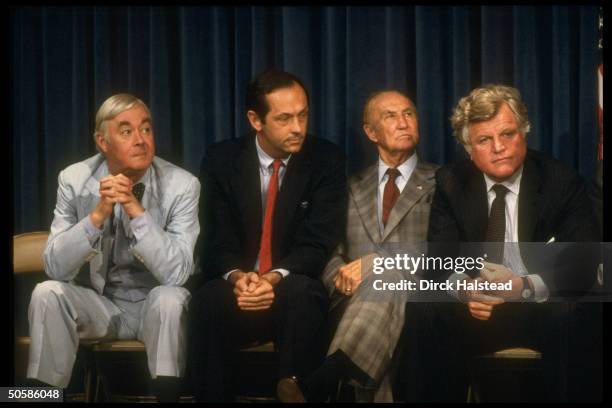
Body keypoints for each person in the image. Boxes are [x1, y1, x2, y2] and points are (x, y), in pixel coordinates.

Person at [424, 84, 600, 401]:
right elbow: (438, 264)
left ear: (524, 132)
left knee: (577, 310)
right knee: (426, 309)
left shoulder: (560, 181)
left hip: (538, 310)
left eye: (507, 134)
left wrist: (523, 286)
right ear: (468, 148)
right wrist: (465, 289)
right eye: (484, 140)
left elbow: (584, 265)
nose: (498, 147)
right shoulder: (451, 182)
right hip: (476, 311)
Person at [26, 93, 200, 402]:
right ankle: (41, 398)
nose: (140, 140)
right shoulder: (74, 179)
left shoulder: (183, 185)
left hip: (154, 306)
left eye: (146, 129)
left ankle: (168, 397)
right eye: (126, 131)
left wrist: (136, 211)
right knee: (46, 292)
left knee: (171, 298)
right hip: (101, 305)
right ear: (102, 142)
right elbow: (56, 267)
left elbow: (178, 272)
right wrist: (96, 217)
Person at [188, 68, 347, 402]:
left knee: (305, 293)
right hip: (238, 285)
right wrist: (238, 277)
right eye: (285, 118)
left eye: (303, 116)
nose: (298, 128)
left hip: (290, 285)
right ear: (255, 120)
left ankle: (294, 388)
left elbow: (319, 241)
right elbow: (214, 238)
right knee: (205, 301)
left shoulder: (326, 159)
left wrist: (273, 277)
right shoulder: (221, 160)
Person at [276, 90, 437, 402]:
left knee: (387, 278)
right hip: (351, 302)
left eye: (409, 114)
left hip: (417, 298)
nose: (403, 122)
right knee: (379, 306)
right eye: (391, 116)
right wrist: (341, 277)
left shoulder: (443, 180)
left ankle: (325, 381)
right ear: (370, 132)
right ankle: (333, 376)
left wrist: (378, 263)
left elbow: (445, 249)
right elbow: (328, 249)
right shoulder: (349, 186)